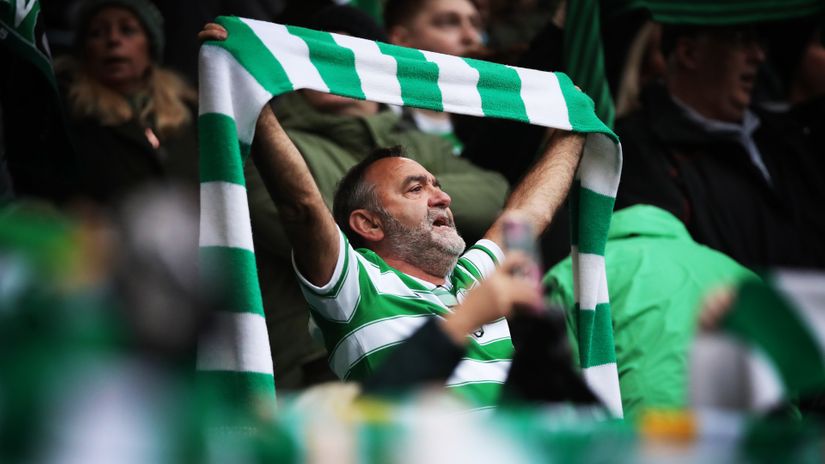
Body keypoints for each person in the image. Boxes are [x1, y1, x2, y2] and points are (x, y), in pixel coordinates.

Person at [199, 11, 510, 391]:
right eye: (321, 56)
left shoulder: (419, 142)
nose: (440, 196)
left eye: (350, 56)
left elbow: (496, 194)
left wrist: (400, 194)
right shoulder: (260, 143)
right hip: (308, 371)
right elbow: (297, 215)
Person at [614, 23, 825, 269]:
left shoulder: (788, 134)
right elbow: (663, 266)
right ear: (689, 53)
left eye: (759, 42)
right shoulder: (639, 151)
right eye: (740, 39)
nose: (758, 56)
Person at [545, 205, 757, 418]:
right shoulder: (745, 278)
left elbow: (554, 406)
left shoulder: (573, 275)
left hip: (644, 442)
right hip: (755, 443)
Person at [56, 0, 199, 207]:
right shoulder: (72, 115)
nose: (113, 39)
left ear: (150, 45)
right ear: (85, 50)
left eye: (128, 30)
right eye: (97, 33)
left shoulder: (188, 109)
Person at [383, 0, 486, 152]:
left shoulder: (488, 123)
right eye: (449, 23)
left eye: (475, 24)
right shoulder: (377, 123)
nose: (471, 37)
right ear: (402, 40)